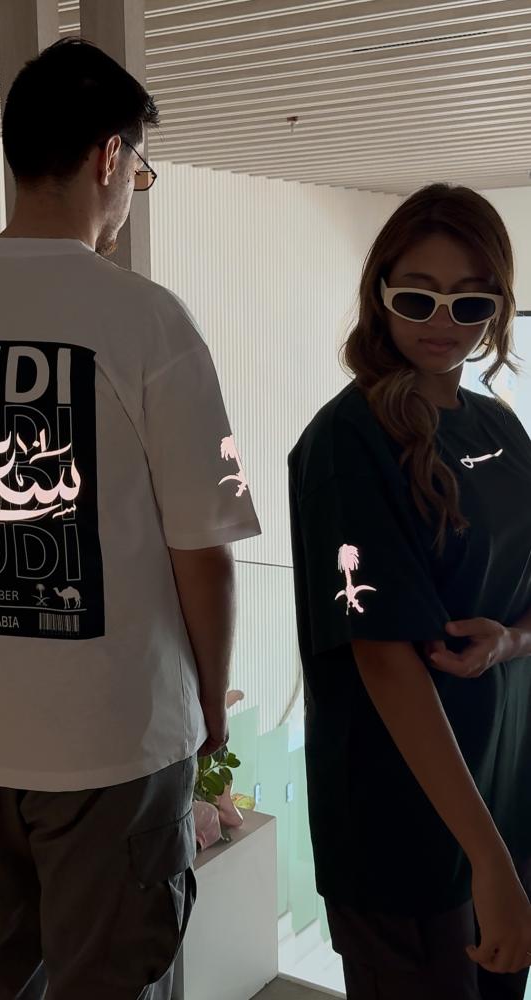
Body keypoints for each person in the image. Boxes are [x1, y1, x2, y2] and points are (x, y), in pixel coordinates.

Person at [0, 39, 260, 1000]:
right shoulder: (146, 320)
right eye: (140, 169)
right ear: (110, 156)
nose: (133, 187)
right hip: (114, 741)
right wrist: (210, 704)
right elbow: (204, 549)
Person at [288, 184, 531, 1000]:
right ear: (381, 294)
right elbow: (386, 660)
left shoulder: (499, 426)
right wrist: (487, 861)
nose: (443, 321)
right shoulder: (348, 441)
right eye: (419, 297)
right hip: (403, 836)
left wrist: (512, 640)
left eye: (471, 302)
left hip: (501, 799)